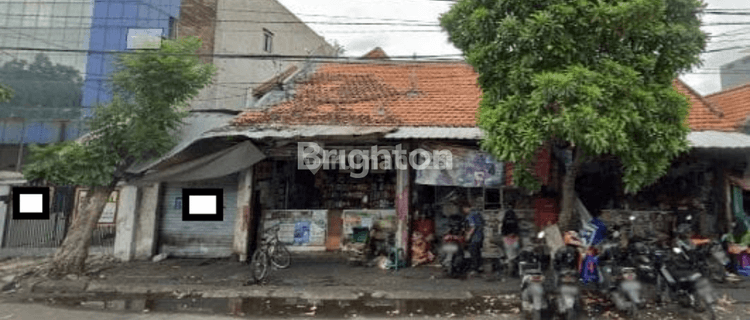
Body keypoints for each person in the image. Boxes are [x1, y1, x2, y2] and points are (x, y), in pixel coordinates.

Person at [463, 201, 485, 274]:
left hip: (474, 237)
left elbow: (473, 226)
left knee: (473, 252)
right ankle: (480, 267)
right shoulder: (478, 214)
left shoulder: (470, 215)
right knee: (478, 252)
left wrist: (468, 235)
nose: (464, 211)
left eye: (464, 209)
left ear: (466, 208)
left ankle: (475, 269)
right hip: (480, 236)